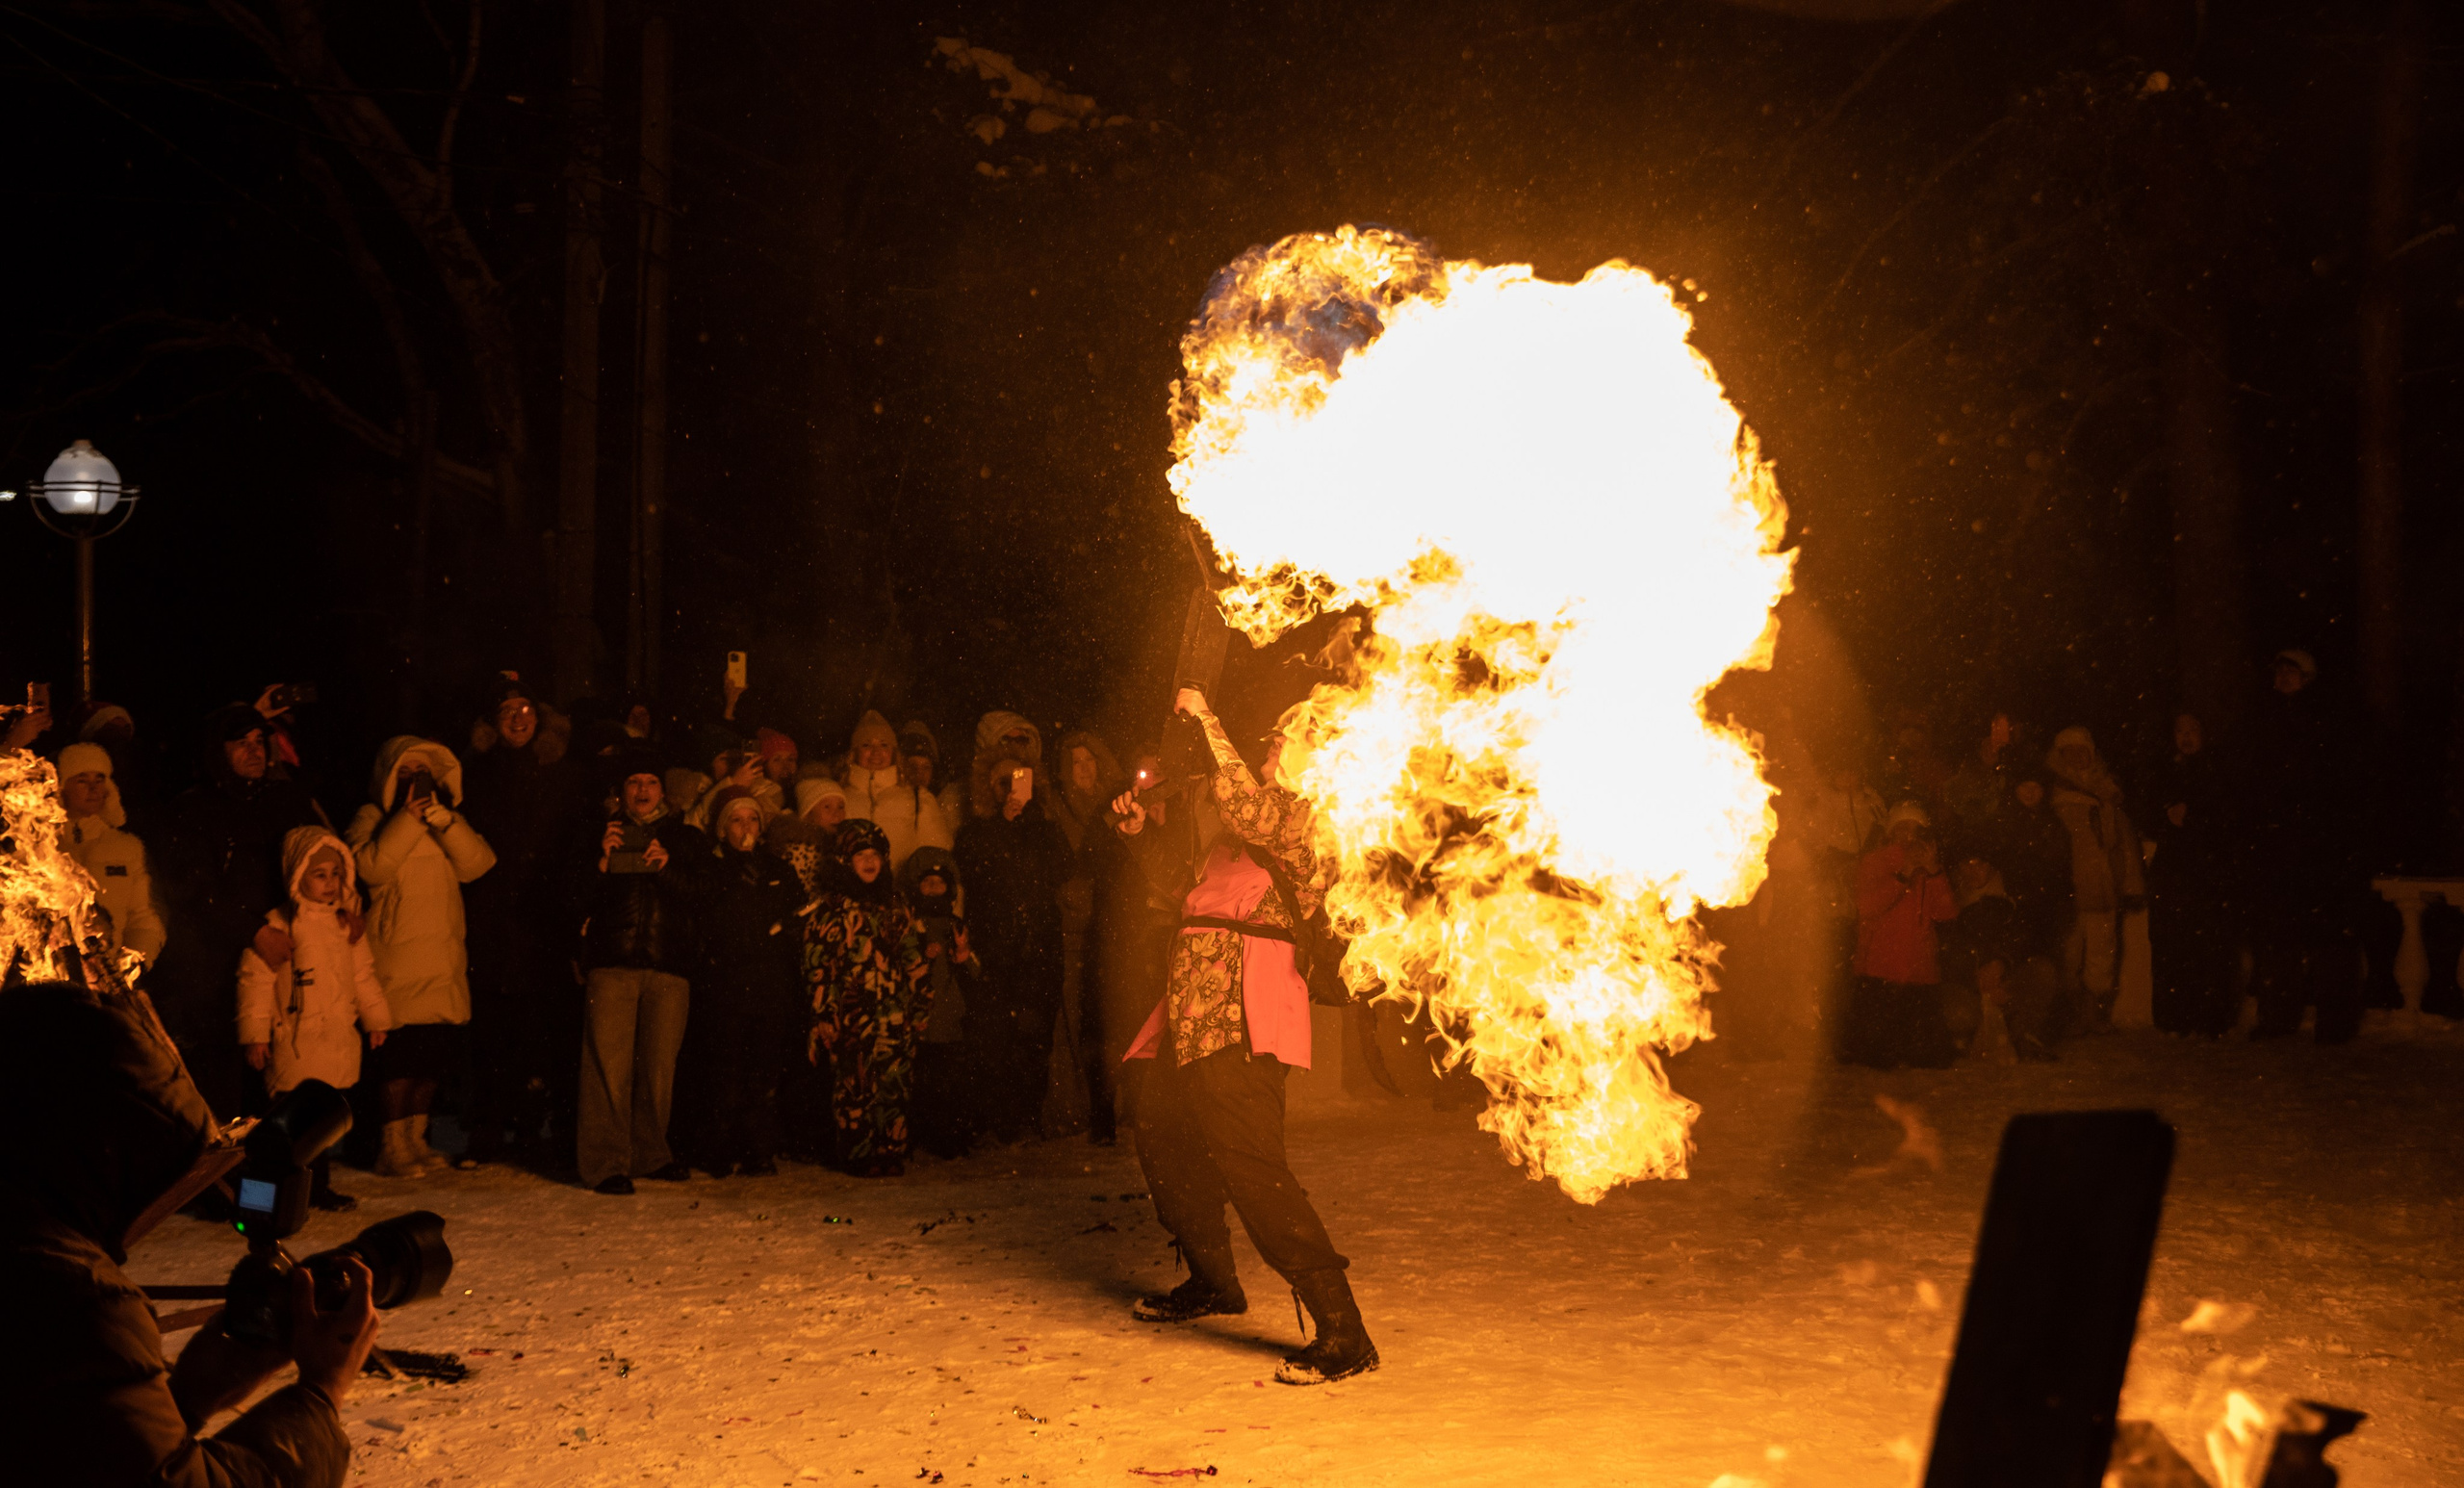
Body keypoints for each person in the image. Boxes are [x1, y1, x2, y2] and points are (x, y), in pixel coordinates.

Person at [0, 979, 380, 1488]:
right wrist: (320, 1393)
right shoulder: (68, 1301)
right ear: (102, 1160)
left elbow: (67, 1451)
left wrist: (187, 1397)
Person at [1107, 689, 1374, 1387]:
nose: (1272, 748)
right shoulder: (1236, 836)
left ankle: (1343, 1330)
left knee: (1253, 1168)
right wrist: (1138, 836)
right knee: (1162, 1132)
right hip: (1191, 1012)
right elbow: (1187, 894)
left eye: (1287, 742)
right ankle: (1213, 1280)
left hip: (1247, 1013)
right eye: (1272, 741)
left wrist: (1205, 719)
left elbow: (1248, 808)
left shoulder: (1310, 820)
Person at [151, 706, 325, 1118]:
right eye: (241, 743)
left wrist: (348, 906)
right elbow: (192, 892)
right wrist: (254, 931)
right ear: (218, 751)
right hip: (214, 976)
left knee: (288, 1082)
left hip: (285, 961)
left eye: (259, 741)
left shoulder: (283, 801)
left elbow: (322, 854)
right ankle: (220, 1162)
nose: (254, 751)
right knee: (222, 1093)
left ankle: (286, 1164)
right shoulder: (192, 810)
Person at [346, 736, 497, 1177]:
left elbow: (478, 864)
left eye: (423, 772)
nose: (415, 780)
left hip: (441, 960)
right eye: (405, 772)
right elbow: (369, 867)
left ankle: (416, 1139)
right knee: (398, 1063)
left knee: (430, 1061)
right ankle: (391, 1145)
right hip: (395, 960)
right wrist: (408, 821)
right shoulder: (372, 817)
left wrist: (447, 824)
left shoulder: (446, 818)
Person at [459, 680, 592, 1163]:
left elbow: (577, 844)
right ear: (493, 723)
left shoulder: (566, 775)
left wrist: (568, 906)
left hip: (544, 921)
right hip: (491, 918)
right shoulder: (475, 775)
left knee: (543, 1030)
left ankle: (538, 1129)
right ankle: (489, 1128)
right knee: (492, 1028)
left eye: (525, 709)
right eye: (507, 711)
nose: (518, 719)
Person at [237, 828, 394, 1207]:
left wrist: (376, 1019)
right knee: (286, 1126)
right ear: (297, 876)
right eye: (319, 875)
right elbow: (256, 982)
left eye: (336, 874)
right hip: (295, 1042)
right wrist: (255, 1034)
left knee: (321, 1123)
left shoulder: (346, 926)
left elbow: (362, 975)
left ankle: (316, 1188)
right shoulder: (279, 926)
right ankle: (269, 1197)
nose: (330, 883)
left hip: (336, 1039)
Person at [577, 754, 708, 1194]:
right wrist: (599, 862)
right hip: (613, 964)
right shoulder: (597, 834)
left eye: (651, 781)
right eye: (634, 782)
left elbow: (705, 895)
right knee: (607, 1068)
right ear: (622, 791)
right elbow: (570, 898)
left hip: (668, 965)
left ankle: (651, 1154)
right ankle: (605, 1163)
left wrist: (666, 867)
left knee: (658, 1069)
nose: (643, 790)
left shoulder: (686, 838)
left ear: (663, 790)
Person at [679, 785, 805, 1176]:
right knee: (724, 1069)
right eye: (736, 820)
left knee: (763, 1071)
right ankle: (718, 1148)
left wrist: (789, 930)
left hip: (770, 985)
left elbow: (797, 915)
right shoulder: (710, 870)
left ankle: (758, 1150)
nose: (746, 827)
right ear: (722, 829)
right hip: (725, 985)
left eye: (752, 819)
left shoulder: (779, 870)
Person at [2243, 649, 2361, 1041]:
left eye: (2292, 671)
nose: (2284, 677)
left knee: (2330, 938)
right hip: (2278, 844)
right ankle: (2277, 1017)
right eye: (2280, 671)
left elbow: (2337, 780)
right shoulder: (2265, 719)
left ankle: (2335, 1022)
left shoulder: (2327, 720)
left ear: (2308, 678)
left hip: (2320, 845)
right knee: (2278, 936)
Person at [805, 819, 932, 1176]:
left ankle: (890, 1149)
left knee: (894, 1084)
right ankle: (858, 1152)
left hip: (893, 1015)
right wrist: (823, 1014)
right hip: (851, 1016)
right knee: (854, 1086)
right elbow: (818, 968)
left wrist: (920, 1006)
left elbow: (914, 959)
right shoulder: (830, 911)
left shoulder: (896, 906)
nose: (869, 861)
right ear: (845, 862)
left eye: (875, 854)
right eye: (861, 855)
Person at [955, 752, 1069, 1143]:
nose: (1010, 789)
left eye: (1018, 780)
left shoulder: (1043, 828)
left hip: (1039, 949)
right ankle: (997, 1120)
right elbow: (974, 869)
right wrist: (1003, 825)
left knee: (1035, 1037)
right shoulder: (976, 832)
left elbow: (1063, 868)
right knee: (995, 1038)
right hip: (996, 949)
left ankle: (1027, 1117)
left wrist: (1031, 822)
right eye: (1001, 781)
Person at [1046, 729, 1127, 1141]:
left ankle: (1120, 1107)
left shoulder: (1119, 802)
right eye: (1075, 762)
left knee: (1113, 1016)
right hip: (1072, 925)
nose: (1084, 768)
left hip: (1112, 923)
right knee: (1078, 1022)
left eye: (1089, 759)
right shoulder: (1056, 808)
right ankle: (1082, 1108)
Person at [1840, 801, 1960, 1068]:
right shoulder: (1874, 862)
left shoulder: (1929, 866)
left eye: (1915, 829)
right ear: (1891, 832)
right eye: (1902, 828)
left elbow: (1946, 913)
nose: (1908, 835)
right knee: (1879, 1056)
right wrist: (1903, 876)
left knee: (1928, 1057)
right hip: (1880, 970)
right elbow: (1868, 906)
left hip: (1918, 971)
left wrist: (1934, 872)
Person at [2043, 727, 2147, 1032]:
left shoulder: (2107, 794)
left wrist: (2132, 885)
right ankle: (2068, 1013)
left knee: (2102, 954)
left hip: (2103, 888)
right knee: (2069, 953)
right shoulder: (2053, 795)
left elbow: (2125, 845)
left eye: (2083, 750)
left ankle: (2093, 1013)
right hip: (2069, 889)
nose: (2078, 757)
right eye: (2070, 751)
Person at [2147, 711, 2238, 1035]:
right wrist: (2167, 811)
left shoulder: (2218, 770)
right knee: (2173, 944)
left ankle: (2209, 1016)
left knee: (2208, 945)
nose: (2186, 737)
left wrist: (2194, 814)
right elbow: (2148, 812)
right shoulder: (2162, 771)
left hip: (2207, 872)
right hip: (2173, 872)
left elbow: (2227, 816)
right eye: (2180, 731)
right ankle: (2175, 1016)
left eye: (2193, 730)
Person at [58, 740, 168, 974]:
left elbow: (145, 917)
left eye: (99, 779)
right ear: (62, 787)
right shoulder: (43, 847)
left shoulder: (128, 848)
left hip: (110, 976)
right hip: (53, 977)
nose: (93, 788)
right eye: (82, 780)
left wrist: (132, 965)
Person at [898, 846, 979, 1158]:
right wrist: (921, 954)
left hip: (949, 1018)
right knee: (920, 1081)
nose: (933, 888)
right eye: (927, 883)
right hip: (919, 1020)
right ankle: (917, 1136)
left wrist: (963, 954)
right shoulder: (910, 924)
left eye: (939, 883)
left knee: (950, 1082)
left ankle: (949, 1137)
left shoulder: (957, 925)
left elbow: (976, 971)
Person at [1941, 855, 2062, 1061]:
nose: (1972, 871)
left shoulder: (2013, 891)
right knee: (1959, 1014)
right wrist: (1977, 977)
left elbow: (2029, 938)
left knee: (2042, 971)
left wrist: (2001, 964)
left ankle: (2020, 1035)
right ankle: (1974, 1039)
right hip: (1969, 987)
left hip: (2006, 981)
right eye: (1965, 864)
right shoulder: (1948, 896)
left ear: (1992, 864)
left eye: (1980, 864)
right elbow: (1946, 950)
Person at [841, 708, 954, 872]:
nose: (876, 752)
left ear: (893, 752)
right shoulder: (838, 798)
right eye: (866, 745)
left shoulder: (918, 798)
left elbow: (939, 861)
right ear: (854, 752)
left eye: (884, 745)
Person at [769, 775, 849, 898]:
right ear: (808, 813)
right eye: (827, 807)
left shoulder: (842, 844)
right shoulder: (800, 850)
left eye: (841, 807)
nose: (836, 814)